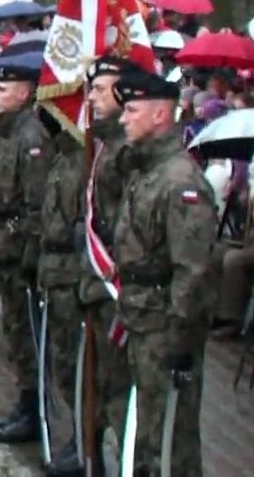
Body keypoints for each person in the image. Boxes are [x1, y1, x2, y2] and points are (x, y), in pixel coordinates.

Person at [111, 71, 218, 475]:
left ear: (160, 115)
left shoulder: (180, 182)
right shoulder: (146, 171)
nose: (123, 119)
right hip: (140, 317)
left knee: (170, 441)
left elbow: (193, 271)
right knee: (145, 432)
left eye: (132, 111)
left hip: (164, 326)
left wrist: (180, 339)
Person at [0, 63, 52, 444]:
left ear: (24, 93)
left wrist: (29, 253)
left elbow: (36, 204)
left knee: (25, 331)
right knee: (13, 330)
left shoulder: (31, 136)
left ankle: (34, 407)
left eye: (4, 88)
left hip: (19, 249)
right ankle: (26, 400)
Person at [78, 57, 140, 466]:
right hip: (98, 286)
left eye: (102, 89)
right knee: (101, 386)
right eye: (93, 88)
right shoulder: (104, 145)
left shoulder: (124, 153)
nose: (93, 97)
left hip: (117, 288)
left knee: (119, 391)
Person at [33, 106, 85, 476]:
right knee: (59, 359)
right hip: (54, 272)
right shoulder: (61, 156)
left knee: (71, 364)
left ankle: (86, 443)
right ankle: (79, 437)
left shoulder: (82, 160)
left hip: (73, 275)